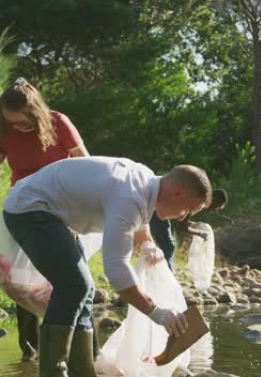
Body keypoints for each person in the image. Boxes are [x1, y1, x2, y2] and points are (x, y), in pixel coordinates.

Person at [3, 156, 212, 377]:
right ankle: (52, 372)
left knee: (85, 290)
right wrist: (157, 313)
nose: (182, 218)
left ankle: (83, 371)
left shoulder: (146, 182)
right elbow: (116, 270)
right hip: (30, 207)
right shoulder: (129, 198)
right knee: (75, 286)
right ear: (177, 193)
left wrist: (147, 243)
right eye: (188, 210)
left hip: (54, 212)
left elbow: (141, 217)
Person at [0, 77, 91, 362]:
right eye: (11, 121)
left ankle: (84, 356)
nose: (18, 127)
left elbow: (85, 163)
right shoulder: (4, 130)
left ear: (36, 110)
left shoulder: (58, 122)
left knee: (76, 280)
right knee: (23, 279)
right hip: (24, 210)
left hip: (61, 209)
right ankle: (31, 351)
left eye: (23, 121)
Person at [150, 188, 227, 268]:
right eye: (217, 206)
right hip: (157, 213)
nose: (215, 210)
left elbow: (180, 219)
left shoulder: (198, 195)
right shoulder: (199, 202)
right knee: (169, 247)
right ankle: (166, 276)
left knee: (165, 246)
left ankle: (162, 272)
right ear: (215, 199)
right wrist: (200, 233)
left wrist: (194, 224)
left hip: (157, 209)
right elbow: (181, 228)